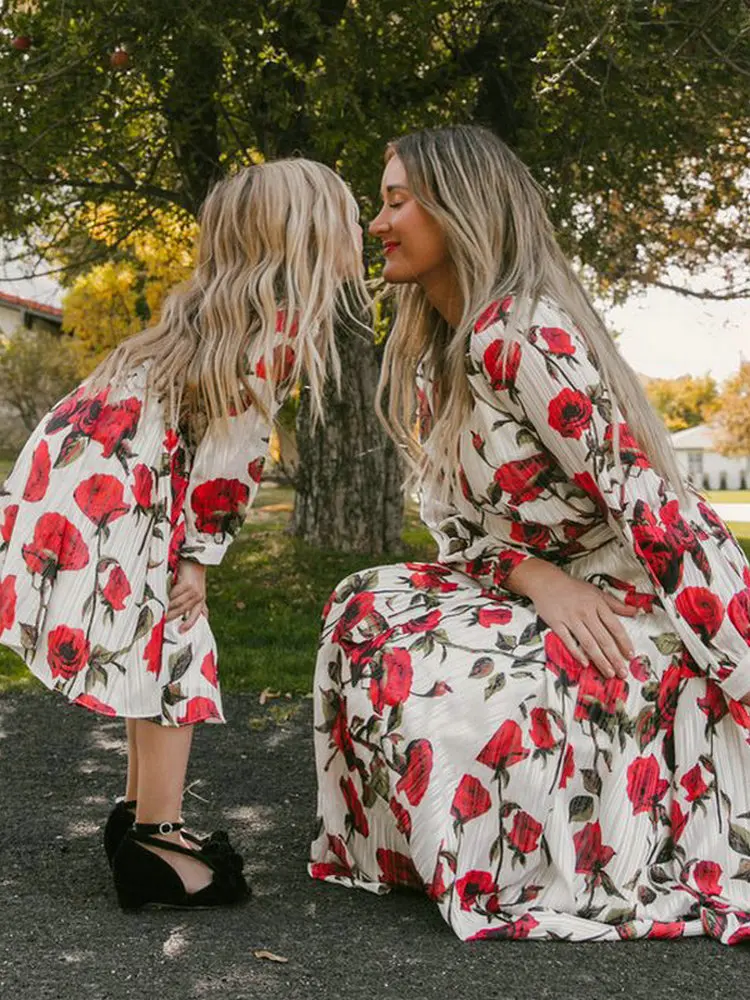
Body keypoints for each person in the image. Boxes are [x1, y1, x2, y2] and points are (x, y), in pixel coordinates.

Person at [309, 125, 750, 943]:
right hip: (546, 587)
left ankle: (536, 857)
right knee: (365, 606)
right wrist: (532, 577)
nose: (377, 225)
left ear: (461, 209)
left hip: (636, 598)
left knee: (472, 684)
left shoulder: (523, 336)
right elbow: (454, 530)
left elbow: (654, 506)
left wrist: (740, 664)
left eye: (396, 202)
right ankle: (436, 853)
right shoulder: (433, 357)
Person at [1, 158, 366, 910]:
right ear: (303, 241)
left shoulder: (213, 313)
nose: (361, 232)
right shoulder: (271, 327)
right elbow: (229, 458)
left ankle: (139, 814)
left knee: (151, 639)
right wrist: (198, 554)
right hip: (123, 481)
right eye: (350, 221)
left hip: (82, 465)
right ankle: (156, 840)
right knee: (176, 643)